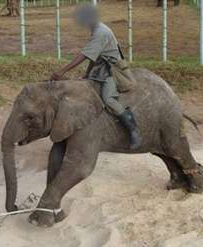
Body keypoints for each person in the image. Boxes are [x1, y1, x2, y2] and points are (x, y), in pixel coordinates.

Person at [50, 4, 141, 149]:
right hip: (101, 68)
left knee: (108, 99)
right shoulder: (96, 29)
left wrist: (62, 71)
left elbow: (84, 55)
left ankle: (133, 130)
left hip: (111, 70)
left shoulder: (101, 32)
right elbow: (94, 56)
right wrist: (86, 75)